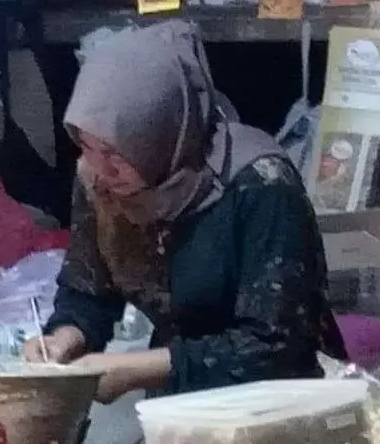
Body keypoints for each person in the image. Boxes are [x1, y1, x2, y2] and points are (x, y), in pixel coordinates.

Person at [23, 20, 335, 403]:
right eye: (87, 146)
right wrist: (63, 339)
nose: (102, 168)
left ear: (161, 131)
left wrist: (132, 369)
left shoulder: (259, 184)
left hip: (273, 404)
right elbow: (89, 289)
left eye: (117, 150)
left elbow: (276, 345)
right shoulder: (98, 181)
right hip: (175, 408)